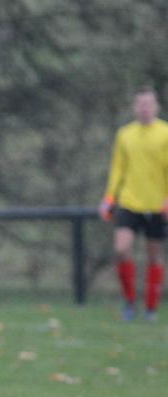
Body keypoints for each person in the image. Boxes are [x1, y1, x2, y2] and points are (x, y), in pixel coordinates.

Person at [99, 86, 168, 321]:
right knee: (121, 249)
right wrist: (109, 199)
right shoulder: (125, 135)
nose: (144, 108)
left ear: (156, 106)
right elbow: (118, 169)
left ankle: (151, 308)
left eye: (149, 104)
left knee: (154, 257)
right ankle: (129, 301)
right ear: (134, 107)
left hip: (158, 205)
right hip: (129, 202)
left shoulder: (165, 133)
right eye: (140, 104)